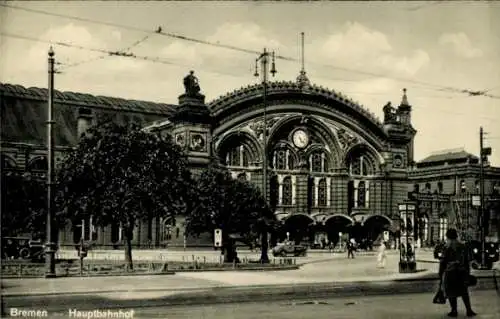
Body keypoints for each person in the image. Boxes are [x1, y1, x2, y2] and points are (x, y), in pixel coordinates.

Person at [439, 228, 476, 317]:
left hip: (450, 272)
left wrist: (440, 274)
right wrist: (467, 273)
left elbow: (443, 262)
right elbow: (467, 261)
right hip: (461, 272)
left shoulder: (446, 247)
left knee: (451, 292)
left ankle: (454, 311)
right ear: (456, 236)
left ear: (447, 236)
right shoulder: (463, 246)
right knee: (464, 292)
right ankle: (469, 310)